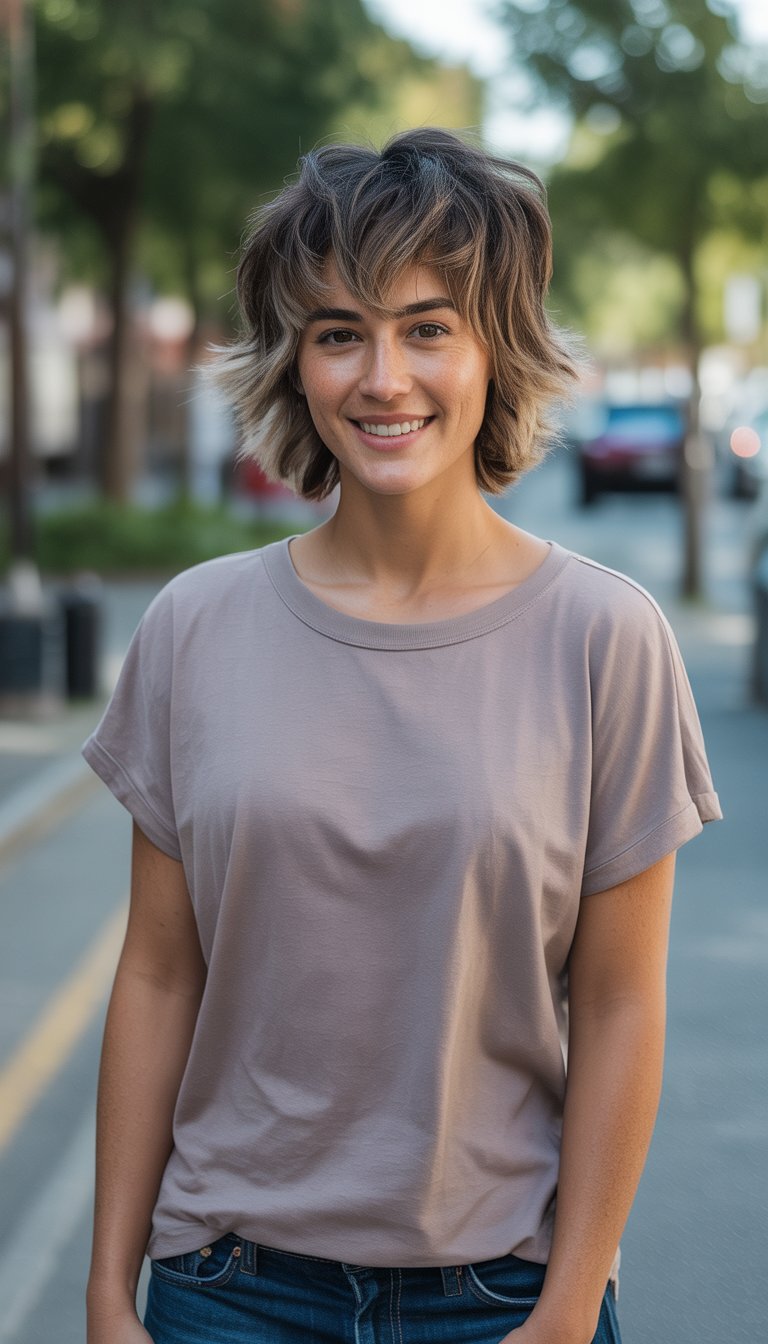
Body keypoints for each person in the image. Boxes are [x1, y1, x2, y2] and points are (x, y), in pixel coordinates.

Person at [83, 128, 721, 1344]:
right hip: (227, 1291)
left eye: (428, 327)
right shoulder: (192, 628)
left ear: (496, 351)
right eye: (339, 333)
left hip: (502, 1298)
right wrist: (112, 1291)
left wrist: (570, 1308)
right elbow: (161, 971)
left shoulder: (606, 638)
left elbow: (624, 1004)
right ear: (296, 364)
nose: (383, 378)